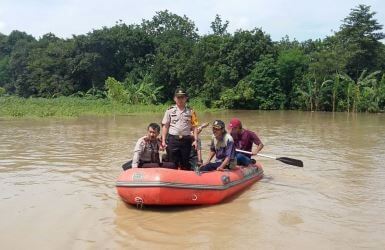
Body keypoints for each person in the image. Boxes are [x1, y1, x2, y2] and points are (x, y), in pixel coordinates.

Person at [161, 88, 198, 170]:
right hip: (173, 140)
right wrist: (163, 141)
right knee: (172, 163)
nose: (180, 99)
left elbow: (194, 126)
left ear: (186, 98)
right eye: (178, 97)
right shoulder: (169, 111)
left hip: (186, 140)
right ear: (174, 98)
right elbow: (165, 126)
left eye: (182, 97)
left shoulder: (191, 111)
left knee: (185, 163)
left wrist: (195, 140)